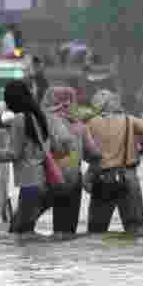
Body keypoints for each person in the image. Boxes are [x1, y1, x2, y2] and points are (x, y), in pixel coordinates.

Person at [0, 81, 74, 238]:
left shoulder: (19, 119)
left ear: (12, 99)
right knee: (25, 232)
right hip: (45, 182)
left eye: (6, 99)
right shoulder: (40, 117)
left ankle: (31, 262)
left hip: (29, 184)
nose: (5, 103)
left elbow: (13, 154)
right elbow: (56, 147)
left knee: (21, 234)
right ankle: (37, 262)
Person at [84, 90, 143, 234]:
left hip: (101, 178)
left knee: (96, 233)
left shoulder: (90, 123)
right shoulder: (129, 120)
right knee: (136, 231)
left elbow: (85, 152)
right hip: (128, 177)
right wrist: (142, 146)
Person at [40, 85, 102, 236]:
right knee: (66, 233)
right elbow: (95, 154)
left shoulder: (42, 122)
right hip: (73, 181)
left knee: (23, 228)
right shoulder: (79, 126)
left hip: (47, 180)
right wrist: (89, 175)